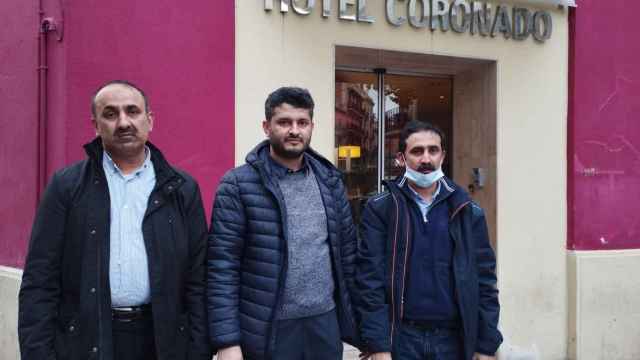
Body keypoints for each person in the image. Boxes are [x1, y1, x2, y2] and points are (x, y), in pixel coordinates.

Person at [18, 80, 212, 360]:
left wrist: (198, 350)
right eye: (110, 114)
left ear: (150, 120)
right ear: (96, 126)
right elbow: (40, 281)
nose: (123, 122)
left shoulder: (181, 189)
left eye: (132, 111)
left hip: (162, 341)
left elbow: (197, 280)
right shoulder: (67, 186)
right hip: (89, 339)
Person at [208, 86, 359, 360]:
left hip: (324, 324)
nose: (294, 130)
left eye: (302, 123)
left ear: (312, 126)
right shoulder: (238, 185)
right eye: (284, 122)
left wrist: (364, 330)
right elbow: (222, 266)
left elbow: (348, 258)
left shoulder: (330, 181)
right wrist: (227, 341)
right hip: (267, 329)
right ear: (267, 127)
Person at [356, 120, 503, 360]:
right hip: (401, 339)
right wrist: (378, 344)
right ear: (402, 158)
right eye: (417, 151)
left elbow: (484, 281)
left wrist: (486, 344)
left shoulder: (467, 210)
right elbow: (369, 281)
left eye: (433, 150)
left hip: (453, 340)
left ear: (442, 156)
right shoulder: (381, 208)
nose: (426, 159)